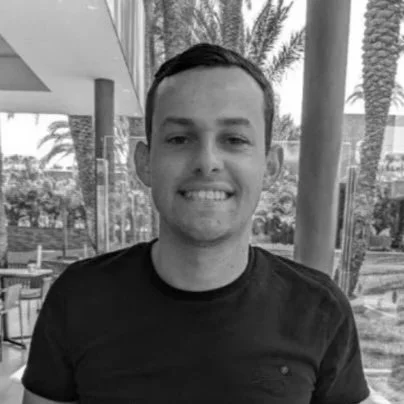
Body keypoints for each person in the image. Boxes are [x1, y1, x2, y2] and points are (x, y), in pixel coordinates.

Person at [22, 43, 372, 404]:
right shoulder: (78, 299)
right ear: (144, 162)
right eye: (179, 138)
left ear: (270, 166)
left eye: (234, 139)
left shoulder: (319, 309)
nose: (207, 161)